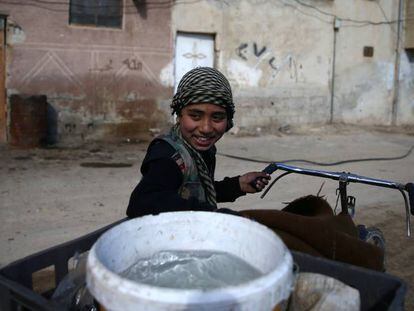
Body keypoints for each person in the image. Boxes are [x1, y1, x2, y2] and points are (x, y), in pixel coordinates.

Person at [126, 67, 270, 218]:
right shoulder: (168, 156)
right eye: (195, 116)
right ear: (179, 115)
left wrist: (237, 185)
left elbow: (196, 190)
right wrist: (212, 214)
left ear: (228, 119)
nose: (206, 128)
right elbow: (142, 202)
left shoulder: (201, 150)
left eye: (217, 117)